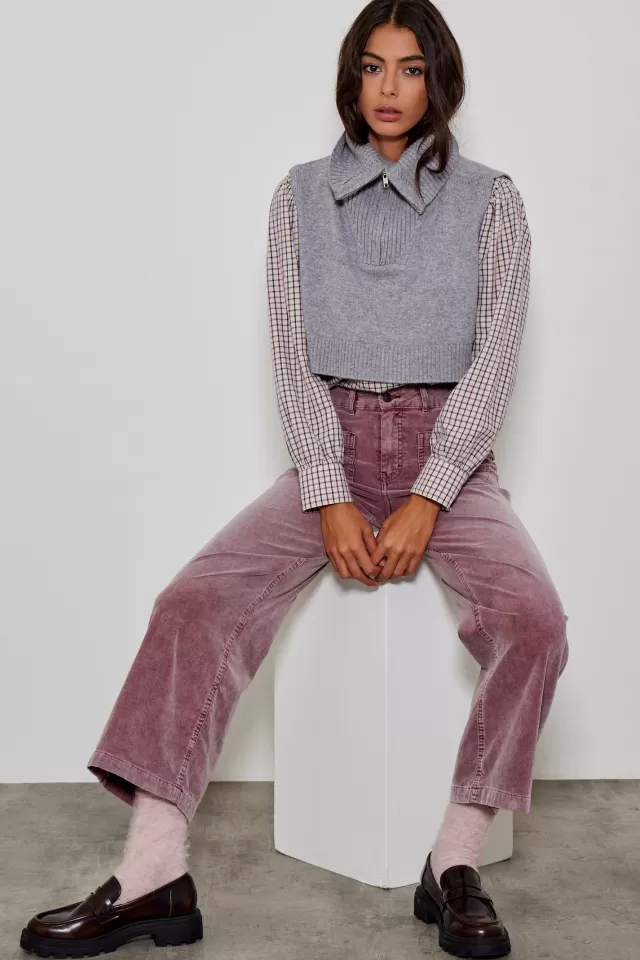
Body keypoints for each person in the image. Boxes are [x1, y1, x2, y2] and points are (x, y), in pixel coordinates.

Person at [19, 1, 570, 958]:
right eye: (372, 66)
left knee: (536, 620)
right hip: (334, 442)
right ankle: (153, 869)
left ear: (439, 81)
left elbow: (496, 356)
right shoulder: (299, 195)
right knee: (193, 602)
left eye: (410, 68)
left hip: (450, 448)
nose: (389, 88)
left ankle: (454, 862)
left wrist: (433, 490)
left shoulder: (494, 200)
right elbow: (291, 347)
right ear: (351, 79)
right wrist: (327, 488)